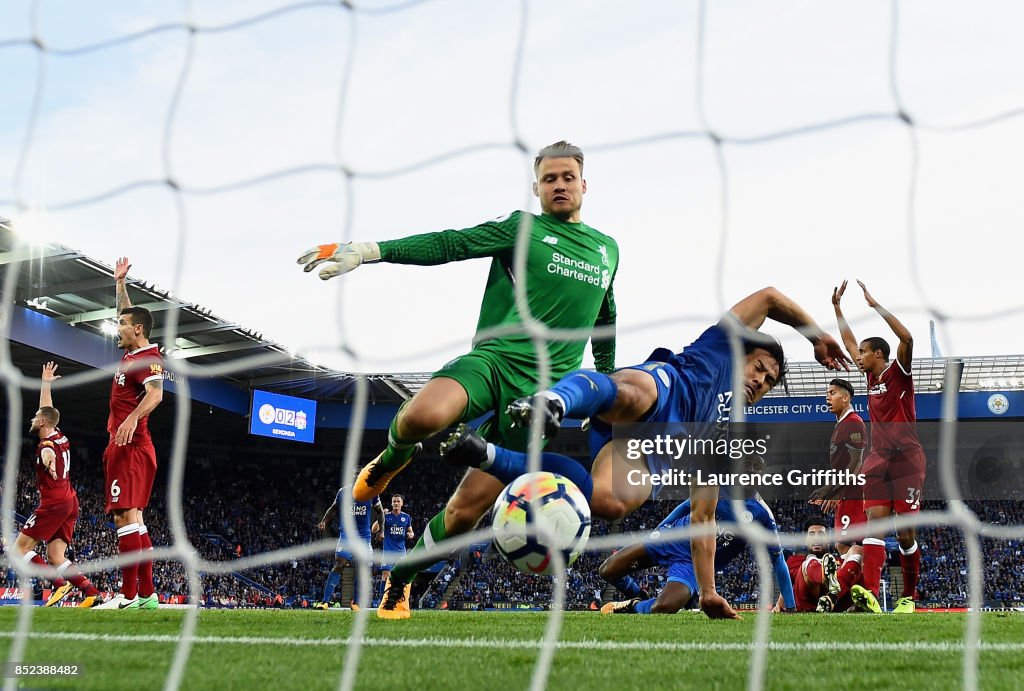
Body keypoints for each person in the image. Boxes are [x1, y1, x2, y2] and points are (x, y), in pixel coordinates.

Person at [297, 141, 619, 619]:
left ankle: (401, 581)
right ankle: (390, 461)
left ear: (584, 185)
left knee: (463, 514)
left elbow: (605, 321)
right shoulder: (521, 228)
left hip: (539, 402)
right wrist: (371, 251)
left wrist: (609, 387)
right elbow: (453, 243)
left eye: (568, 177)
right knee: (422, 415)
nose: (559, 185)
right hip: (495, 361)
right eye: (549, 179)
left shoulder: (606, 249)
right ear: (536, 187)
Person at [444, 286, 850, 618]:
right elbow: (769, 297)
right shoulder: (722, 348)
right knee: (635, 390)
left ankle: (490, 456)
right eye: (759, 367)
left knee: (610, 502)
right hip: (666, 389)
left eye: (768, 381)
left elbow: (703, 518)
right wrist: (815, 335)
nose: (760, 380)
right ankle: (555, 403)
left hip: (646, 449)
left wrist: (708, 591)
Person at [833, 280, 924, 614]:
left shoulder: (899, 372)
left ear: (879, 355)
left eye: (863, 353)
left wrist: (875, 305)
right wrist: (838, 309)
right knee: (874, 525)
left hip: (907, 461)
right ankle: (870, 593)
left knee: (904, 534)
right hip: (877, 461)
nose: (858, 356)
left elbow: (907, 339)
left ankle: (908, 598)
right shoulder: (870, 380)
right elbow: (848, 341)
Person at [598, 472, 797, 616]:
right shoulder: (717, 486)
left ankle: (633, 606)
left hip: (693, 564)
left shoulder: (761, 513)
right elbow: (685, 506)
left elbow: (778, 560)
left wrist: (790, 607)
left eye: (756, 466)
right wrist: (661, 529)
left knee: (664, 607)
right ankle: (637, 593)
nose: (749, 469)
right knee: (607, 570)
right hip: (671, 538)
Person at [99, 257, 165, 610]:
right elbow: (130, 312)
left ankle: (126, 597)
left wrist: (130, 420)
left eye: (122, 325)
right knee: (134, 519)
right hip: (131, 446)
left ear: (137, 330)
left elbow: (156, 394)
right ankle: (146, 595)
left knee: (124, 516)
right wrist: (121, 284)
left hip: (130, 445)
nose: (118, 327)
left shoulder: (147, 360)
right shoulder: (136, 350)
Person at [12, 362, 102, 608]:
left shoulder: (46, 445)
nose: (32, 418)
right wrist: (46, 384)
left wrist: (49, 462)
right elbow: (47, 409)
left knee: (18, 549)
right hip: (70, 501)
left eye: (35, 417)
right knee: (55, 556)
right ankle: (92, 593)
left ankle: (60, 585)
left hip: (53, 503)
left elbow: (48, 453)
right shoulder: (59, 433)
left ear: (42, 422)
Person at [315, 486, 384, 610]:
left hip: (363, 537)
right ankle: (325, 602)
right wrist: (324, 522)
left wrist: (381, 531)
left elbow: (380, 511)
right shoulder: (343, 492)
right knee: (339, 564)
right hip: (347, 535)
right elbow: (333, 508)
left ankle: (356, 604)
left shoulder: (371, 492)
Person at [372, 494, 414, 595]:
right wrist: (381, 515)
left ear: (402, 503)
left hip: (401, 553)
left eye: (398, 501)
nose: (396, 503)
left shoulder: (406, 517)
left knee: (400, 578)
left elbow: (411, 532)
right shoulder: (386, 516)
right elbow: (373, 530)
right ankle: (382, 601)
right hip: (388, 553)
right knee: (386, 576)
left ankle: (397, 601)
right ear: (391, 503)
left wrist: (411, 535)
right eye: (394, 501)